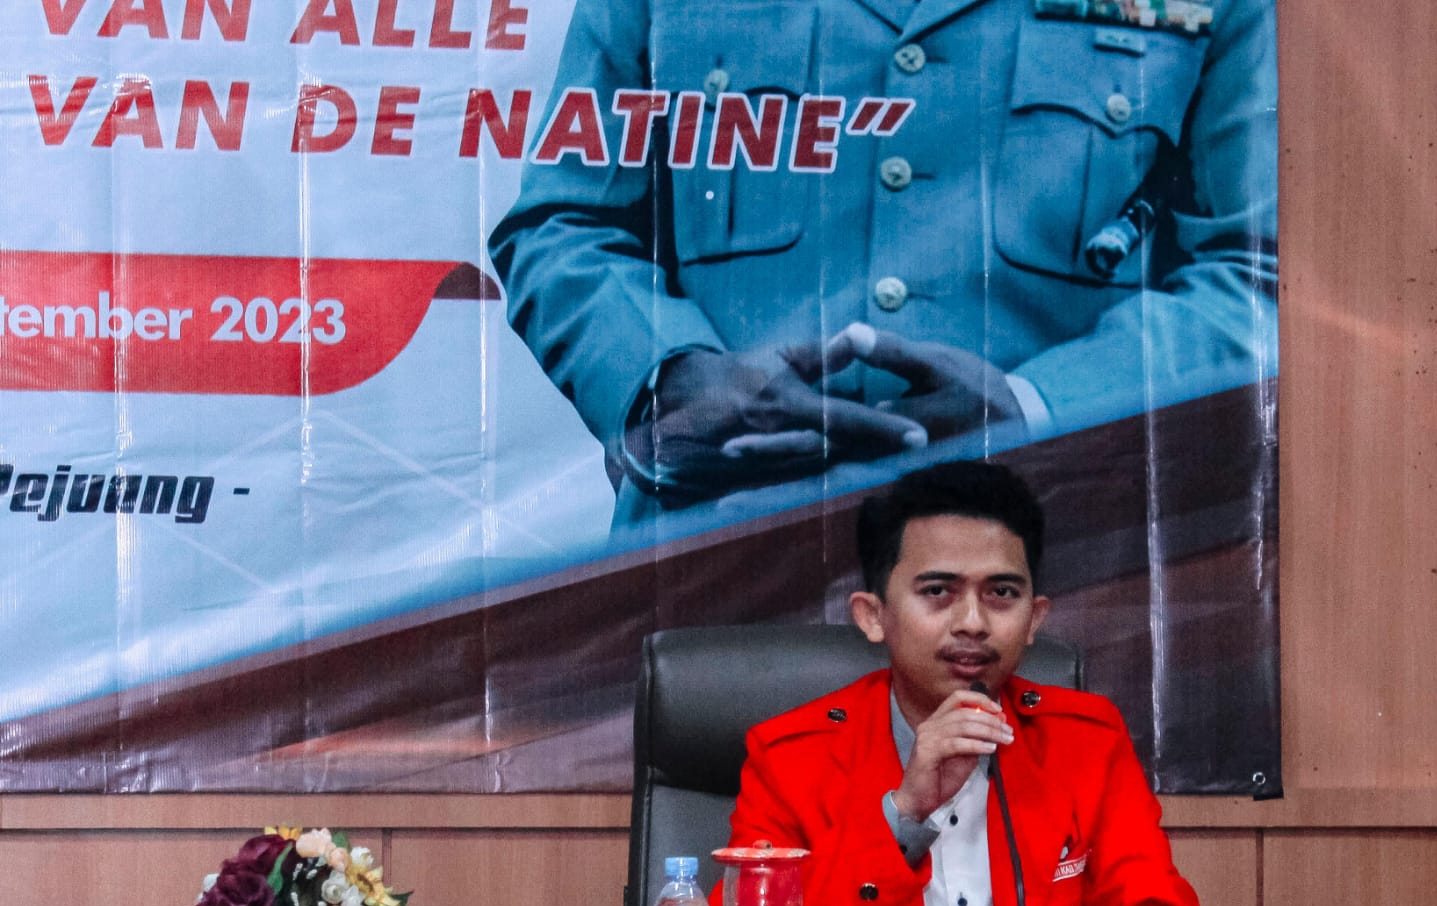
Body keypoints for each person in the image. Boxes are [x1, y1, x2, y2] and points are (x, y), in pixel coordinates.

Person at [488, 0, 1278, 523]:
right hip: (720, 548)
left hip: (1052, 552)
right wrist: (672, 377)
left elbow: (1262, 275)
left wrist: (1039, 408)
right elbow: (563, 222)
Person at [708, 461, 1218, 906]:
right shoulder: (792, 760)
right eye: (937, 591)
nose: (973, 622)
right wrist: (904, 817)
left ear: (1034, 618)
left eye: (1002, 593)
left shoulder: (1086, 742)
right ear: (873, 616)